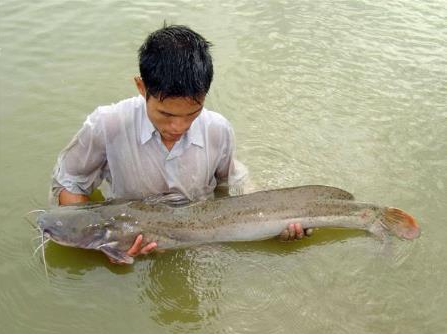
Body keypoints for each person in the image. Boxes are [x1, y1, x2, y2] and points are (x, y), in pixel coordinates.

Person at [50, 24, 308, 263]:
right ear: (142, 87)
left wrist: (277, 224)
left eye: (192, 114)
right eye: (166, 114)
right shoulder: (106, 124)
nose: (179, 127)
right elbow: (68, 181)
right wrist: (104, 240)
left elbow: (231, 186)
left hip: (199, 244)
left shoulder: (218, 129)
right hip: (136, 241)